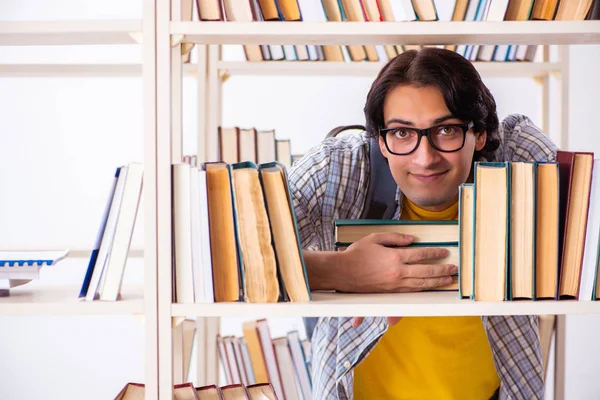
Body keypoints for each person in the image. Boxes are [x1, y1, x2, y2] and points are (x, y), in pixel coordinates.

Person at [287, 47, 557, 400]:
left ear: (480, 135)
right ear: (380, 140)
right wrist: (339, 271)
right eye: (401, 133)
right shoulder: (339, 168)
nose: (424, 158)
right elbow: (230, 256)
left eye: (445, 130)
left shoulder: (516, 157)